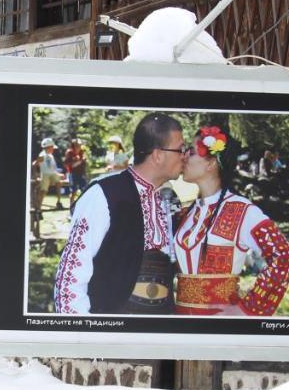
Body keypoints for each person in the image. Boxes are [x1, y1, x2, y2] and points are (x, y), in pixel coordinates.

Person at [53, 112, 186, 314]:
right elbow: (71, 278)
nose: (185, 156)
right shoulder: (104, 194)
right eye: (180, 149)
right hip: (114, 329)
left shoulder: (169, 198)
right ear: (158, 155)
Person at [173, 126, 289, 316]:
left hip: (219, 329)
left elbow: (284, 256)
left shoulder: (242, 211)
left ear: (211, 163)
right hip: (182, 324)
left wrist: (247, 309)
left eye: (192, 151)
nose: (184, 156)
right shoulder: (188, 213)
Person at [39, 138, 64, 210]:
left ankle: (59, 202)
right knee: (43, 190)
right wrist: (35, 174)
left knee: (59, 182)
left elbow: (53, 169)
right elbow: (35, 164)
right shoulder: (42, 155)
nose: (53, 149)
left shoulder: (51, 156)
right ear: (48, 147)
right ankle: (39, 208)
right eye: (52, 147)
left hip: (52, 174)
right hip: (45, 174)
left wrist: (59, 174)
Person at [63, 138, 88, 203]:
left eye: (79, 145)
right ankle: (71, 206)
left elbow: (84, 163)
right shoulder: (69, 152)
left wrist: (83, 161)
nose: (79, 147)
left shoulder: (81, 152)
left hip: (81, 173)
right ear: (73, 146)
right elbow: (68, 165)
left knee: (85, 189)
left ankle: (84, 205)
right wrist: (79, 161)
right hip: (73, 173)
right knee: (73, 191)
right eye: (77, 145)